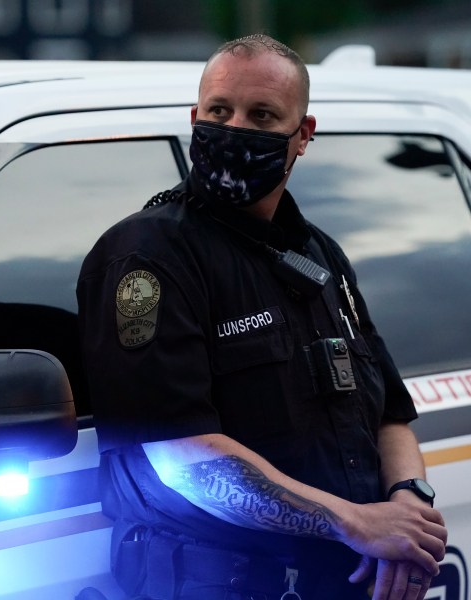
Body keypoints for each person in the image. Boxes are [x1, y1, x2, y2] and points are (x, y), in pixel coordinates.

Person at [76, 34, 447, 600]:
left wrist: (408, 507)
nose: (235, 128)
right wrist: (354, 522)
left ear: (304, 135)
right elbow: (182, 455)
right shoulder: (147, 258)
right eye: (220, 111)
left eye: (263, 115)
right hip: (217, 584)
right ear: (195, 118)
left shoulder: (321, 256)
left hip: (345, 578)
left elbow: (390, 416)